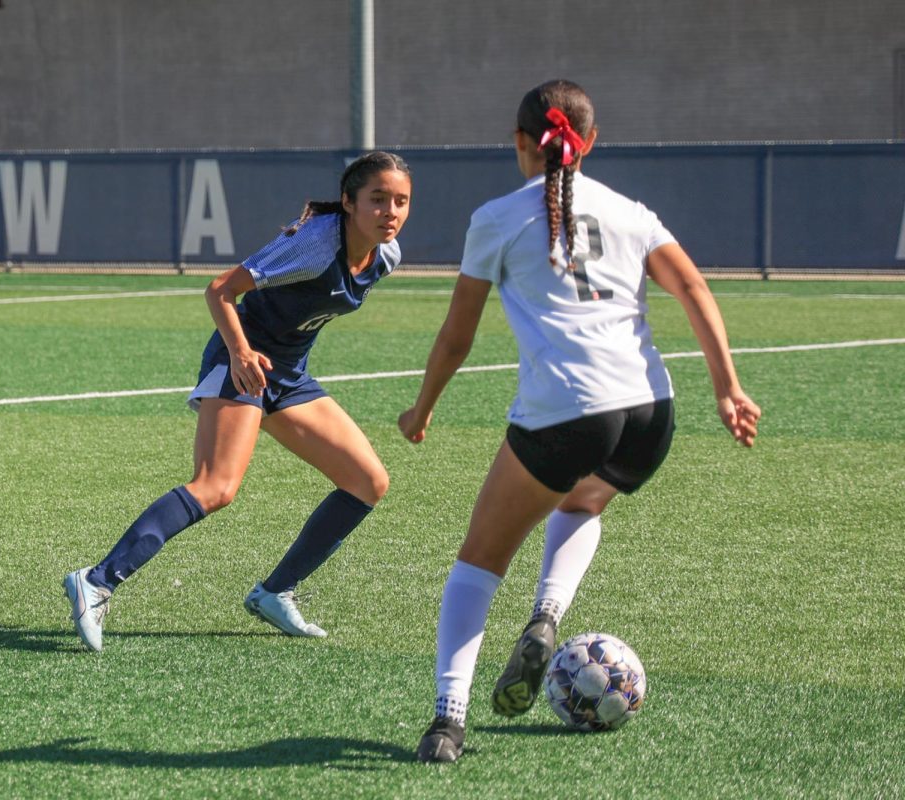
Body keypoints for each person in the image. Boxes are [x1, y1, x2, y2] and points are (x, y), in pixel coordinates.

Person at [398, 80, 761, 763]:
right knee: (585, 498)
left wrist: (423, 409)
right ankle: (547, 616)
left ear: (519, 144)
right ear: (589, 143)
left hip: (567, 412)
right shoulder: (632, 213)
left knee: (479, 560)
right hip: (650, 413)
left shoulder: (498, 218)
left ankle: (447, 721)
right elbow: (694, 288)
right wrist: (728, 390)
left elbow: (455, 337)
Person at [64, 151, 413, 651]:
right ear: (348, 202)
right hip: (241, 360)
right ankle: (97, 580)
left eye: (401, 201)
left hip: (287, 374)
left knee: (367, 482)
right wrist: (241, 353)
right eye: (377, 200)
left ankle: (275, 592)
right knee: (216, 487)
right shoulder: (317, 245)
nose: (390, 211)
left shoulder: (385, 256)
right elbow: (221, 290)